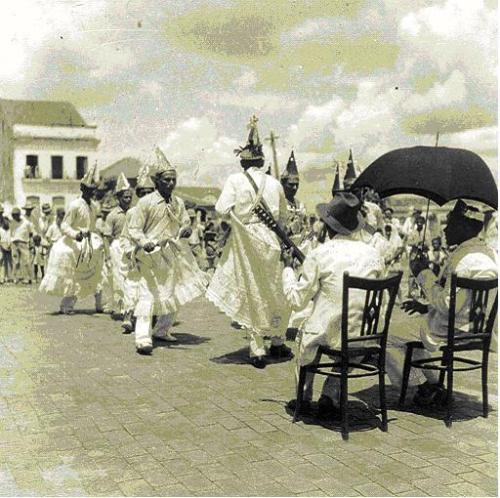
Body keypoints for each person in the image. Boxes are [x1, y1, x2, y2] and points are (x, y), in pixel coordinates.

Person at [283, 193, 385, 416]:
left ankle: (304, 396)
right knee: (343, 331)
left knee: (306, 334)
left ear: (329, 227)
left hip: (331, 335)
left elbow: (296, 300)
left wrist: (289, 271)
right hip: (366, 336)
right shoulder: (374, 255)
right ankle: (330, 394)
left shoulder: (319, 254)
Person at [206, 115, 292, 369]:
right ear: (263, 161)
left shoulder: (235, 180)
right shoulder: (275, 183)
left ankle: (257, 348)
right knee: (274, 289)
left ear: (243, 163)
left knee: (252, 290)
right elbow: (283, 218)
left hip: (246, 239)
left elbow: (221, 208)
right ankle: (277, 340)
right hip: (271, 239)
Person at [402, 200, 497, 406]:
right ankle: (433, 384)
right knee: (409, 329)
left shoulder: (462, 260)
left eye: (450, 224)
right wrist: (427, 306)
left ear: (464, 227)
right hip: (478, 329)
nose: (444, 229)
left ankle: (426, 387)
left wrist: (422, 273)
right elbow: (463, 301)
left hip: (450, 330)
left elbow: (447, 306)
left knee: (392, 334)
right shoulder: (490, 254)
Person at [127, 148, 207, 354]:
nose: (171, 183)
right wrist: (144, 242)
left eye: (174, 180)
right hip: (150, 255)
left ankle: (162, 330)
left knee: (173, 293)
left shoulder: (178, 202)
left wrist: (186, 230)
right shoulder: (145, 203)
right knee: (147, 295)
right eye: (167, 180)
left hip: (171, 254)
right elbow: (134, 229)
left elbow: (185, 223)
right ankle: (143, 337)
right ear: (157, 181)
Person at [39, 163, 105, 314]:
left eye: (93, 190)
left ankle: (100, 303)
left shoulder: (94, 206)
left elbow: (93, 225)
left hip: (91, 242)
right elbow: (64, 226)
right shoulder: (75, 205)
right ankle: (66, 305)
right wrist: (76, 235)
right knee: (73, 275)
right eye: (88, 190)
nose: (91, 193)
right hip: (75, 242)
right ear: (82, 189)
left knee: (99, 271)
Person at [119, 163, 155, 333]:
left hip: (153, 256)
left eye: (150, 193)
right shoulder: (132, 213)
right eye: (143, 194)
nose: (147, 197)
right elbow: (125, 236)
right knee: (132, 286)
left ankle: (148, 318)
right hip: (135, 255)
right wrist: (128, 251)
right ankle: (127, 317)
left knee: (149, 289)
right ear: (138, 195)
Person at [103, 173, 133, 318]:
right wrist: (108, 255)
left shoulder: (134, 213)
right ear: (118, 198)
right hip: (117, 246)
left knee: (132, 277)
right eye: (125, 197)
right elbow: (106, 237)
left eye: (129, 197)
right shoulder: (112, 215)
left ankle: (131, 306)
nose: (128, 200)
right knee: (119, 277)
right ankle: (121, 307)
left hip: (132, 246)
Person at [280, 150, 307, 247]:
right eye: (291, 185)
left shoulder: (300, 205)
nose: (295, 188)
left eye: (297, 185)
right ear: (283, 184)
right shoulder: (279, 204)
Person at [10, 207, 33, 284]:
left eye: (16, 215)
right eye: (13, 215)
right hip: (14, 243)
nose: (14, 216)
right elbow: (10, 233)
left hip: (23, 243)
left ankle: (28, 278)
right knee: (15, 262)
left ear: (19, 214)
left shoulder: (26, 222)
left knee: (26, 261)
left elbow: (30, 233)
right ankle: (15, 278)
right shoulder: (12, 222)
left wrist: (29, 242)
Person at [0, 218, 13, 283]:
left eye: (7, 222)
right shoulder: (0, 230)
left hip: (9, 247)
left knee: (9, 262)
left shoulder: (10, 230)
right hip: (2, 247)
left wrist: (9, 245)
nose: (6, 223)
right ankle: (2, 277)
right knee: (2, 262)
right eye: (5, 222)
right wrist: (2, 245)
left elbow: (11, 238)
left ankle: (9, 277)